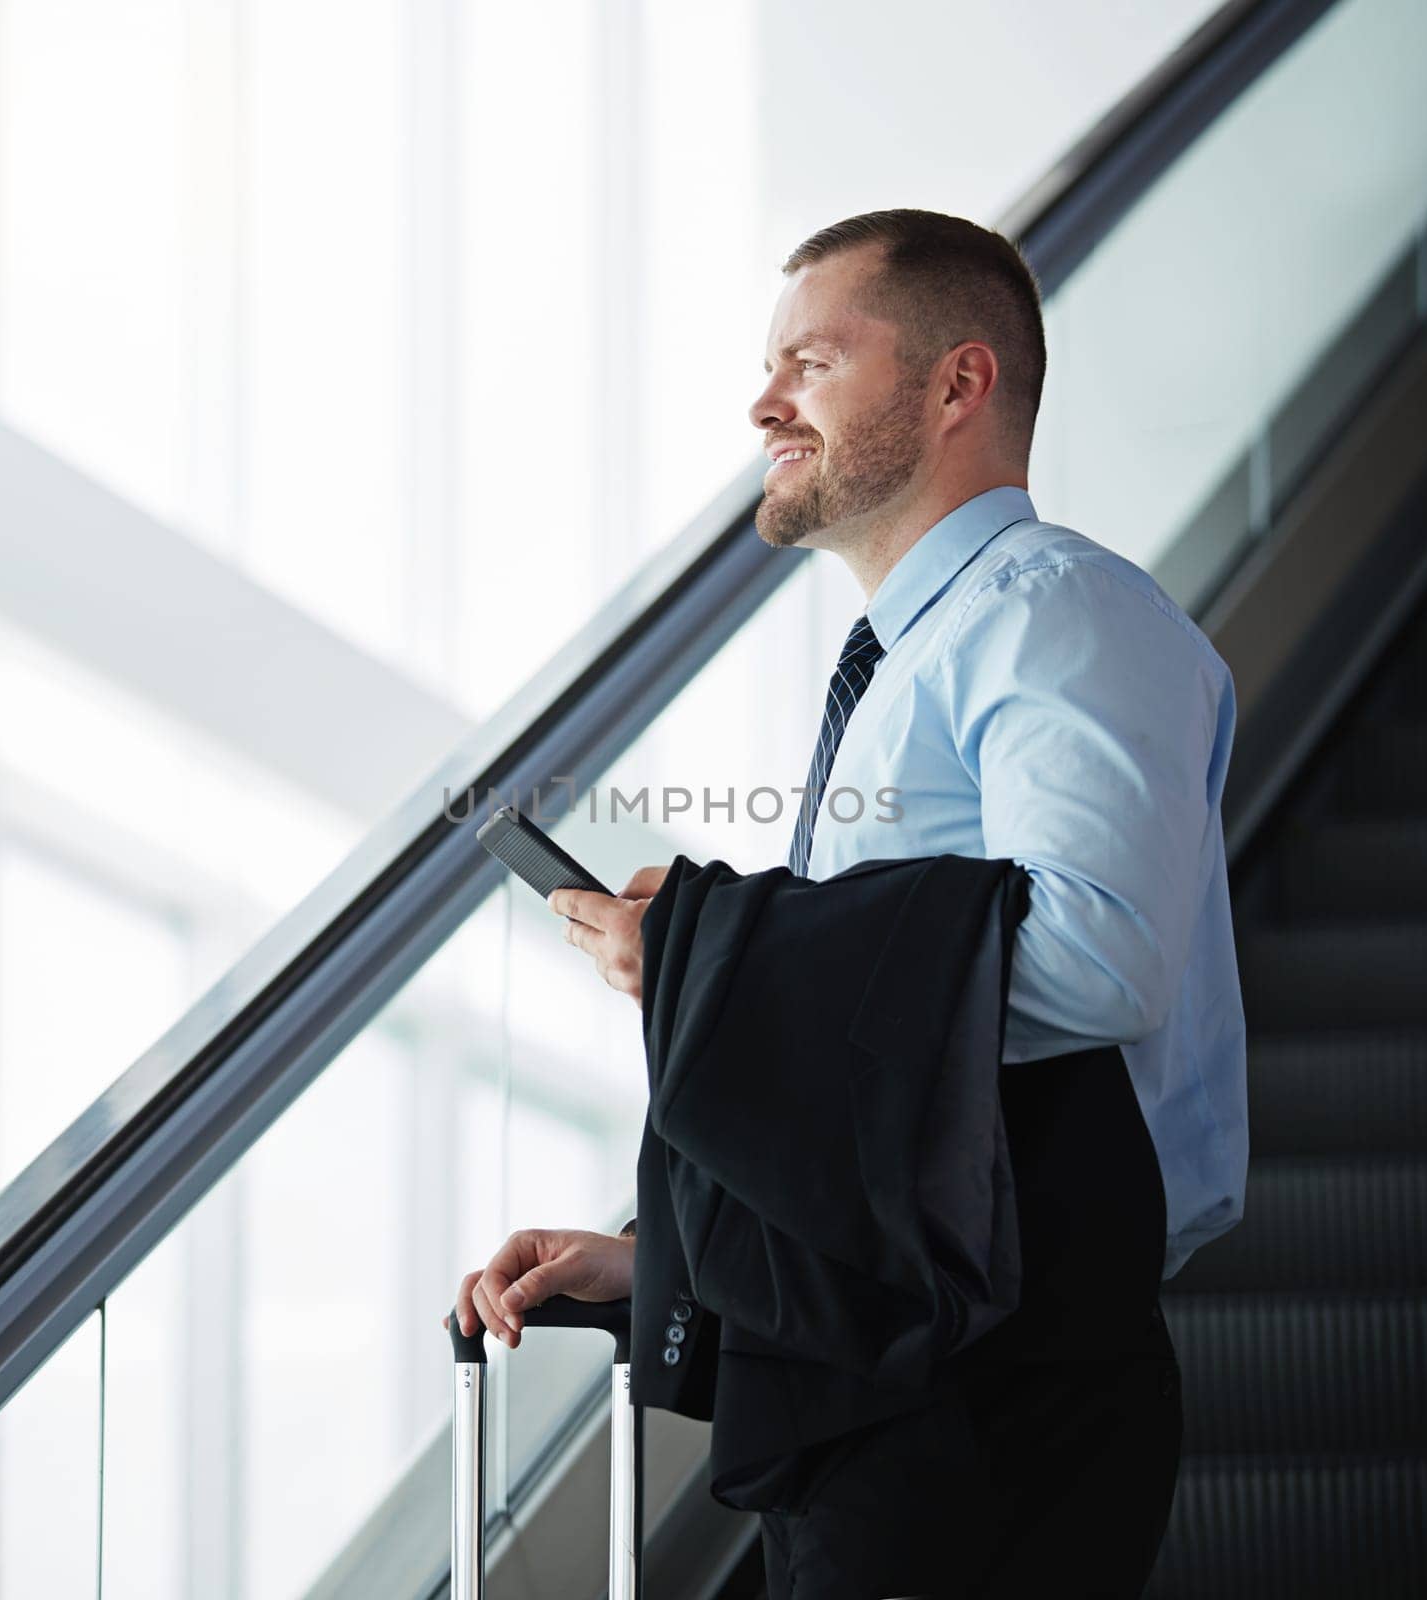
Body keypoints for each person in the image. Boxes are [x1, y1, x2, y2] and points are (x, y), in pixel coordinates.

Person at [447, 209, 1248, 1597]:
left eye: (811, 361)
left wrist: (718, 957)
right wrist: (657, 1261)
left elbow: (1102, 961)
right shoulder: (913, 658)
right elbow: (892, 1067)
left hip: (1003, 1390)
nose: (763, 402)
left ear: (958, 385)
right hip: (912, 1373)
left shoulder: (1058, 613)